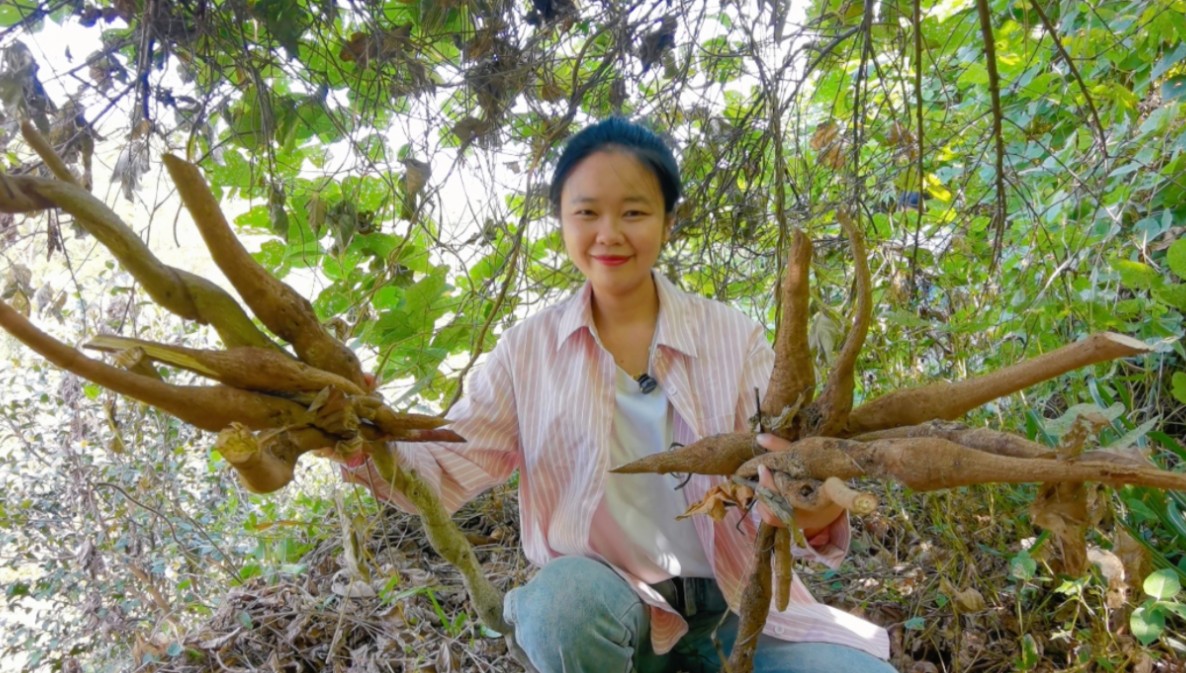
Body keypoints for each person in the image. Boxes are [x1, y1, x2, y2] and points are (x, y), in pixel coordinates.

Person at [345, 118, 893, 672]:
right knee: (563, 609)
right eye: (586, 213)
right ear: (561, 219)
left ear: (668, 222)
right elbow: (443, 467)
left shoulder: (732, 336)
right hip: (614, 612)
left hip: (736, 605)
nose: (609, 234)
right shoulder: (527, 352)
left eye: (633, 212)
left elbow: (787, 476)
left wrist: (814, 501)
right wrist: (360, 441)